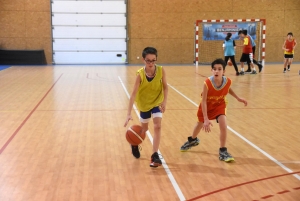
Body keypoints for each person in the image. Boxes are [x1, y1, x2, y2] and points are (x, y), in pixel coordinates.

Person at [180, 58, 247, 162]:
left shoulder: (228, 81)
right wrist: (206, 119)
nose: (216, 71)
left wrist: (238, 98)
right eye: (214, 69)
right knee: (199, 124)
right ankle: (192, 140)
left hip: (219, 105)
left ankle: (223, 151)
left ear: (223, 71)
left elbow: (228, 88)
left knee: (223, 125)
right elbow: (204, 101)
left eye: (219, 69)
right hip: (206, 105)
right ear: (211, 70)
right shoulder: (207, 83)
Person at [124, 47, 168, 168]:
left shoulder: (160, 70)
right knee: (144, 130)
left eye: (153, 60)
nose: (151, 63)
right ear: (144, 60)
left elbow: (165, 87)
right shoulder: (140, 74)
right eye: (148, 60)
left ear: (156, 59)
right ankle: (134, 143)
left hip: (157, 102)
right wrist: (128, 113)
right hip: (144, 104)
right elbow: (133, 94)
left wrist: (164, 101)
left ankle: (154, 155)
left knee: (158, 126)